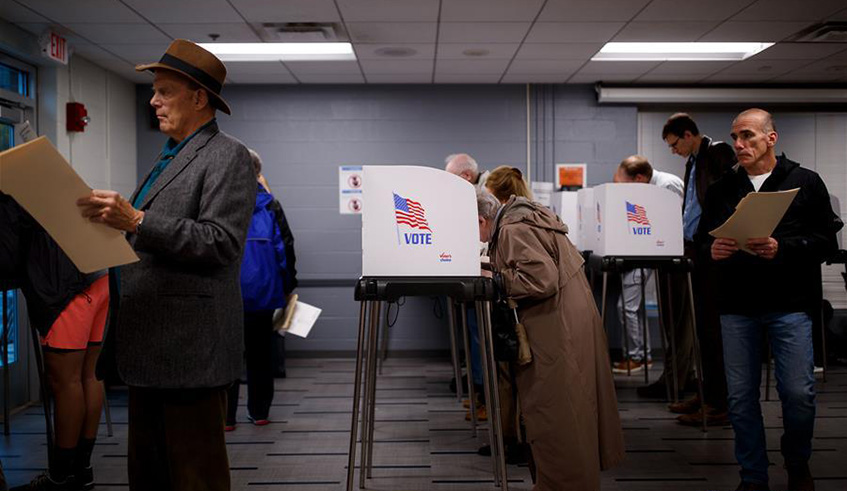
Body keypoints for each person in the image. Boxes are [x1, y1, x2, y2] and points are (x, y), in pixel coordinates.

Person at [76, 39, 256, 491]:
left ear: (199, 98)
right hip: (151, 345)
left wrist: (135, 218)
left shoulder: (227, 155)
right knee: (150, 472)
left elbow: (220, 242)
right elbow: (156, 235)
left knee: (195, 474)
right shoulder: (170, 154)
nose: (152, 100)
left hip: (189, 349)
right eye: (153, 90)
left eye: (165, 91)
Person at [698, 109, 842, 491]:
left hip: (790, 305)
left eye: (747, 136)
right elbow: (700, 241)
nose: (739, 145)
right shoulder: (722, 188)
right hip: (736, 306)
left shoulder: (805, 182)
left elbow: (827, 242)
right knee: (741, 399)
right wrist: (712, 250)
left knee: (799, 393)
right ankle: (753, 476)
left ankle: (797, 460)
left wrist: (783, 247)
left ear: (771, 138)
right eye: (734, 137)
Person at [477, 189, 624, 490]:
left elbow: (540, 279)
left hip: (555, 330)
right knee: (572, 413)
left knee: (555, 418)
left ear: (481, 219)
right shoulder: (524, 218)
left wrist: (495, 282)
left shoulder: (512, 228)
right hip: (568, 323)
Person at [3, 192, 108, 491]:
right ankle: (81, 471)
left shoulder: (7, 195)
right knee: (90, 375)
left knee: (66, 382)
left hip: (64, 287)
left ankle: (60, 478)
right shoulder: (36, 180)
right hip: (99, 275)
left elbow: (7, 255)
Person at [641, 113, 736, 428]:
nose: (673, 151)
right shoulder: (694, 161)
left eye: (673, 144)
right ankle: (706, 394)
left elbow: (725, 201)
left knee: (711, 329)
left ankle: (719, 403)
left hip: (713, 250)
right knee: (700, 329)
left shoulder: (717, 153)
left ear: (687, 134)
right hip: (695, 248)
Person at [225, 150, 291, 430]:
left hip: (225, 293)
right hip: (264, 293)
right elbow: (285, 249)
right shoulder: (270, 205)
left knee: (226, 357)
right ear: (257, 171)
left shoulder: (218, 202)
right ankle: (259, 412)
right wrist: (288, 287)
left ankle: (225, 418)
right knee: (261, 357)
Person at [611, 156, 684, 374]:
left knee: (627, 307)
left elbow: (670, 225)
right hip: (646, 251)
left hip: (656, 253)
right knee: (634, 307)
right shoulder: (650, 188)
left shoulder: (666, 186)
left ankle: (638, 357)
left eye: (624, 185)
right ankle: (641, 356)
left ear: (640, 178)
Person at [444, 153, 489, 422]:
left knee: (480, 340)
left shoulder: (481, 200)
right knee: (475, 339)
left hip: (483, 279)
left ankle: (485, 398)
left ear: (465, 177)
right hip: (474, 278)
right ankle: (479, 394)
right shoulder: (468, 198)